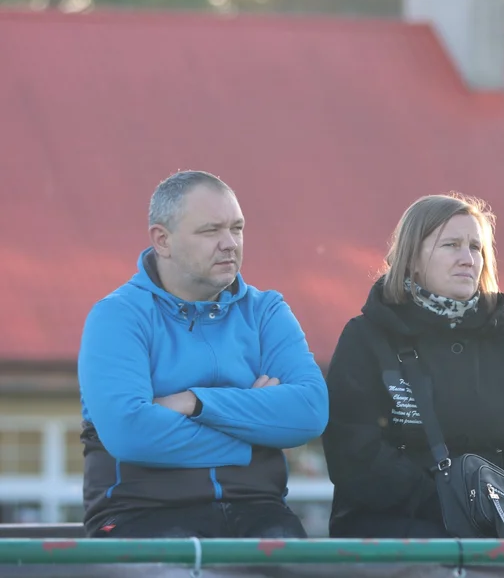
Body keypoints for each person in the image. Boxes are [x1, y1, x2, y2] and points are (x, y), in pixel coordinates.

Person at [78, 170, 329, 538]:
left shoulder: (267, 311)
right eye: (211, 230)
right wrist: (256, 431)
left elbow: (310, 413)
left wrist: (194, 403)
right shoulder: (117, 316)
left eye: (237, 228)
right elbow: (130, 434)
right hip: (141, 514)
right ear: (162, 240)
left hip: (259, 512)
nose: (230, 243)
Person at [322, 194, 504, 538]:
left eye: (476, 248)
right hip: (396, 536)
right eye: (451, 245)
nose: (468, 259)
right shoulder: (368, 336)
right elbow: (353, 453)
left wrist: (494, 501)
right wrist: (447, 502)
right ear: (413, 258)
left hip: (499, 533)